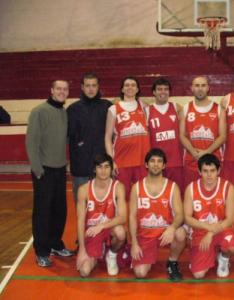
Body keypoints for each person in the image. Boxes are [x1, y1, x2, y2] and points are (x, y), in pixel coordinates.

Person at [26, 80, 74, 267]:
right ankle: (42, 251)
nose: (62, 92)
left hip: (60, 170)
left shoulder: (63, 112)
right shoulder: (39, 111)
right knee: (43, 213)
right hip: (44, 171)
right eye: (59, 89)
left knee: (59, 210)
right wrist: (38, 170)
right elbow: (31, 143)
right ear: (52, 90)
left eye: (65, 89)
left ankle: (55, 244)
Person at [129, 148, 186, 281]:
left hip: (165, 233)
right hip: (145, 235)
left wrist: (171, 228)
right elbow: (132, 216)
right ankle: (138, 253)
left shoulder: (172, 186)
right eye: (152, 161)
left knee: (180, 233)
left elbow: (179, 215)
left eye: (159, 161)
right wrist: (134, 243)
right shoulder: (136, 187)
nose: (156, 164)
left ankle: (172, 262)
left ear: (164, 165)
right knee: (140, 273)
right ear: (146, 164)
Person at [184, 154, 234, 278]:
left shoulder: (228, 187)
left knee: (232, 246)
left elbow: (230, 219)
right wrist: (206, 227)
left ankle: (223, 258)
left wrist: (210, 233)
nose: (209, 175)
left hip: (222, 228)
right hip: (200, 231)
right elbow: (187, 217)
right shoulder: (191, 189)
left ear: (218, 171)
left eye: (212, 171)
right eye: (205, 171)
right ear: (199, 171)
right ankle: (210, 253)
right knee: (198, 275)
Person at [76, 154, 127, 277]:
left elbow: (123, 217)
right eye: (100, 167)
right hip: (92, 232)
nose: (103, 171)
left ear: (111, 168)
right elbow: (80, 221)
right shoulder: (83, 189)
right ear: (94, 169)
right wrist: (82, 250)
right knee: (84, 271)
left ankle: (111, 254)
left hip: (110, 229)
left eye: (106, 167)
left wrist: (102, 226)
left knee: (121, 232)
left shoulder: (118, 187)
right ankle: (100, 250)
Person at [67, 73, 112, 203]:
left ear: (98, 87)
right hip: (81, 169)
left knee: (105, 208)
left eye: (94, 85)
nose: (91, 89)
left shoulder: (107, 107)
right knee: (82, 208)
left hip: (103, 167)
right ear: (82, 87)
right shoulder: (73, 109)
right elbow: (68, 136)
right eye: (87, 86)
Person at [105, 76, 150, 200]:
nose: (130, 87)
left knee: (142, 198)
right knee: (121, 199)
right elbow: (108, 137)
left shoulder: (145, 107)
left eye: (133, 85)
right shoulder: (113, 109)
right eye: (127, 85)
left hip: (142, 162)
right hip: (122, 162)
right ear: (122, 89)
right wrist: (111, 161)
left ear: (137, 89)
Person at [179, 76, 226, 188]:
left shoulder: (219, 109)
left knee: (213, 196)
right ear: (192, 88)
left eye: (203, 85)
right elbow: (182, 135)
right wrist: (193, 152)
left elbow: (223, 136)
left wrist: (207, 151)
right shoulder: (185, 109)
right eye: (197, 85)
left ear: (208, 88)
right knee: (191, 194)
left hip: (213, 161)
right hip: (191, 160)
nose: (200, 89)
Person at [146, 78, 184, 192]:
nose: (163, 92)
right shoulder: (147, 110)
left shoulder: (177, 108)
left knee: (176, 193)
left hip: (176, 161)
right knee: (156, 192)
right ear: (154, 92)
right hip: (156, 162)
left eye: (166, 89)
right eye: (159, 89)